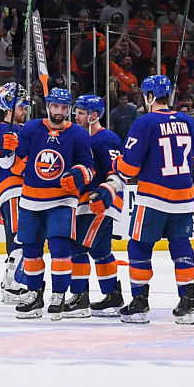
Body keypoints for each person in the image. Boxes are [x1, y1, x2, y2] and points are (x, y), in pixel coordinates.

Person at [107, 75, 194, 324]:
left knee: (138, 247)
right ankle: (188, 303)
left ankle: (140, 303)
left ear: (150, 97)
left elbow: (129, 168)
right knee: (182, 248)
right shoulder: (187, 120)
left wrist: (116, 164)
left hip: (153, 198)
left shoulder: (144, 122)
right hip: (184, 197)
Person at [0, 88, 95, 319]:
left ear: (69, 109)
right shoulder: (31, 129)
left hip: (62, 201)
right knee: (31, 251)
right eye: (55, 106)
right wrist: (7, 150)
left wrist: (80, 175)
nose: (59, 111)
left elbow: (90, 168)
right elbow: (11, 166)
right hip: (30, 200)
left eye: (64, 107)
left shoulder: (79, 134)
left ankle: (58, 296)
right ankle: (34, 295)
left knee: (60, 250)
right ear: (48, 106)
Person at [65, 94, 124, 317]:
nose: (76, 116)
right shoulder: (81, 137)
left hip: (100, 202)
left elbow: (116, 173)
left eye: (81, 113)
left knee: (77, 248)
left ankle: (80, 297)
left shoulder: (106, 139)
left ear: (94, 115)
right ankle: (113, 296)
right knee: (101, 251)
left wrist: (105, 194)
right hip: (86, 202)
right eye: (77, 112)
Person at [0, 83, 28, 303]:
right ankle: (12, 284)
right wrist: (7, 151)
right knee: (18, 236)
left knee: (23, 236)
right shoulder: (4, 130)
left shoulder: (16, 129)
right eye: (21, 106)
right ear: (9, 107)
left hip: (14, 190)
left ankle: (13, 281)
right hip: (11, 189)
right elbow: (6, 163)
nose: (25, 110)